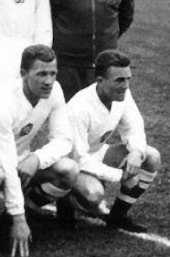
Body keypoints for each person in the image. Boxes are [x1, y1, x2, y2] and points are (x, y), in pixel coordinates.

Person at [0, 45, 78, 257]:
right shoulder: (1, 102)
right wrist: (18, 220)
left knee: (69, 170)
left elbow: (64, 139)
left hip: (19, 158)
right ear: (23, 74)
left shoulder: (55, 91)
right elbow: (5, 161)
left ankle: (6, 215)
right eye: (41, 74)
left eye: (52, 73)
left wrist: (37, 158)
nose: (48, 80)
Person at [66, 50, 161, 232]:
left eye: (128, 79)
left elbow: (134, 126)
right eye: (119, 80)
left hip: (96, 153)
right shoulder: (79, 108)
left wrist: (136, 151)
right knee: (93, 194)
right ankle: (66, 202)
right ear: (100, 81)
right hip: (71, 164)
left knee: (152, 157)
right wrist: (118, 175)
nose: (125, 85)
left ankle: (117, 216)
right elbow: (77, 158)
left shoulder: (123, 94)